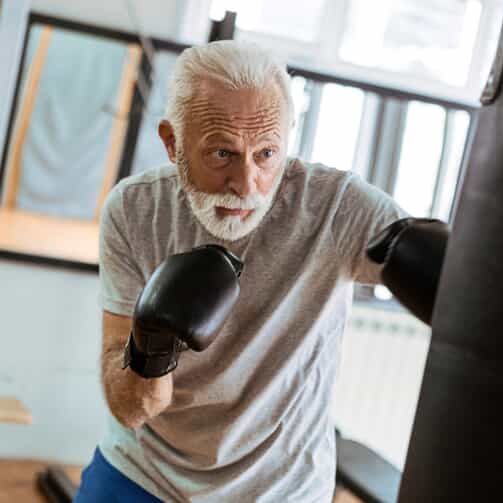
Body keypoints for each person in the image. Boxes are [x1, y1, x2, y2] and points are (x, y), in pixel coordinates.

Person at [74, 39, 414, 502]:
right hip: (145, 474)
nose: (246, 183)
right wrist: (152, 343)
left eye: (267, 154)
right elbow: (130, 409)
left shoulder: (337, 207)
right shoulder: (136, 210)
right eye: (222, 154)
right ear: (172, 142)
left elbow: (461, 280)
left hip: (280, 488)